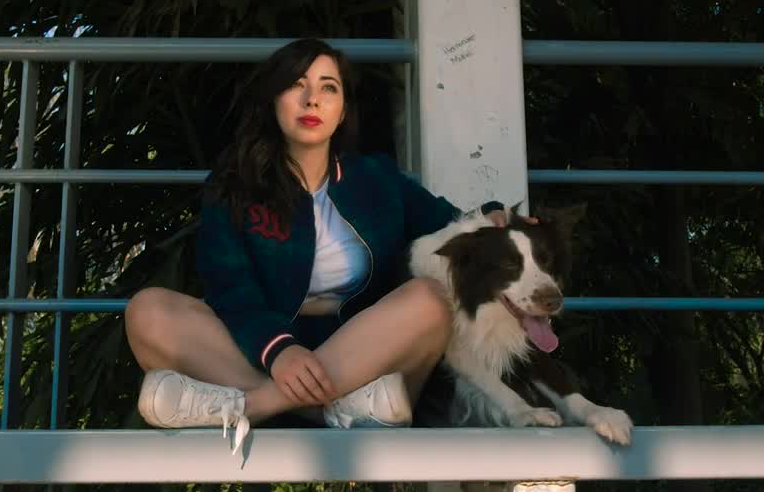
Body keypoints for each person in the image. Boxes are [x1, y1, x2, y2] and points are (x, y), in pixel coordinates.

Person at [125, 38, 501, 453]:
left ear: (342, 112)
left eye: (328, 88)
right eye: (297, 85)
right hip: (261, 355)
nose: (312, 100)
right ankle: (332, 410)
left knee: (432, 300)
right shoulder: (235, 184)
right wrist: (279, 352)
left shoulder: (376, 178)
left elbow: (451, 226)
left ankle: (249, 406)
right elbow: (230, 289)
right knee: (147, 311)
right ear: (274, 101)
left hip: (361, 362)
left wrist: (498, 220)